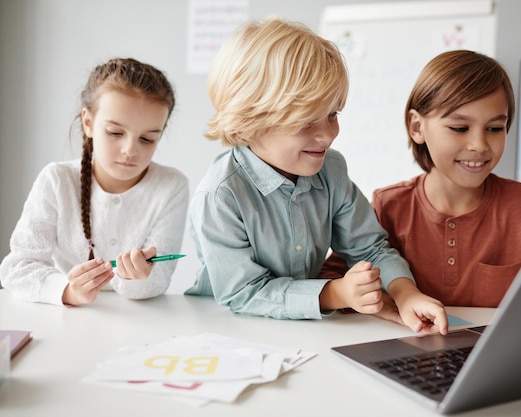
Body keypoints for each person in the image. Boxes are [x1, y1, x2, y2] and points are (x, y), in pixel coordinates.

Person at [185, 17, 448, 334]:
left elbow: (370, 248)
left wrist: (405, 294)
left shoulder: (331, 170)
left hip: (305, 330)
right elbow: (243, 293)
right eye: (307, 120)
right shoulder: (221, 196)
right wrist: (334, 293)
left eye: (332, 114)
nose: (328, 134)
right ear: (246, 124)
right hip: (229, 329)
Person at [320, 50, 521, 309]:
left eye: (494, 129)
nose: (479, 145)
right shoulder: (387, 206)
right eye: (460, 128)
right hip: (407, 348)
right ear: (417, 127)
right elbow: (333, 283)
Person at [0, 57, 189, 306]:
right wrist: (67, 290)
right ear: (88, 123)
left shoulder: (172, 186)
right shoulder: (56, 180)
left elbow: (160, 278)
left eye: (147, 139)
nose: (130, 150)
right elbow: (18, 267)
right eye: (115, 133)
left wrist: (139, 277)